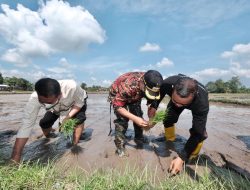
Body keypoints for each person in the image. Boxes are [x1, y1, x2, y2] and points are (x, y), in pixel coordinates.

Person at [11, 78, 88, 163]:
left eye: (49, 102)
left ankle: (75, 144)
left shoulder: (72, 87)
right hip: (55, 108)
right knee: (44, 123)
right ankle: (47, 136)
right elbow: (26, 126)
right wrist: (15, 156)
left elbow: (79, 103)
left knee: (79, 120)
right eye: (42, 102)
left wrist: (67, 117)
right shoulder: (34, 99)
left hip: (76, 102)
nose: (45, 104)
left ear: (59, 95)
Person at [153, 74, 209, 175]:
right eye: (175, 101)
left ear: (194, 95)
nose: (178, 105)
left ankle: (193, 154)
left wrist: (182, 157)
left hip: (196, 104)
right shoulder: (166, 83)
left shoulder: (202, 103)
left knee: (200, 132)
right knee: (168, 119)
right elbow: (158, 96)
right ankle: (170, 139)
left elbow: (197, 133)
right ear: (173, 88)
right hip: (178, 97)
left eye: (183, 104)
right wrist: (153, 107)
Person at [108, 70, 163, 157]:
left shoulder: (153, 82)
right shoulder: (126, 86)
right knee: (122, 120)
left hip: (135, 95)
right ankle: (120, 148)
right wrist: (135, 119)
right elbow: (118, 107)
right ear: (142, 83)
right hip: (118, 95)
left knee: (138, 114)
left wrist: (152, 120)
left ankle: (139, 138)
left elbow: (152, 104)